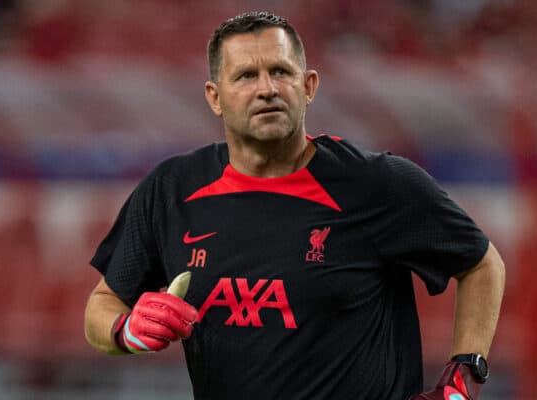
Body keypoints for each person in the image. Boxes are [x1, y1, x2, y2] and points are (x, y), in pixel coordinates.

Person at [84, 11, 505, 400]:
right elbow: (101, 307)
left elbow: (482, 264)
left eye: (280, 72)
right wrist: (126, 330)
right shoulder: (171, 189)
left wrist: (465, 375)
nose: (266, 88)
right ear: (215, 97)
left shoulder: (379, 183)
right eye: (246, 76)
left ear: (308, 87)